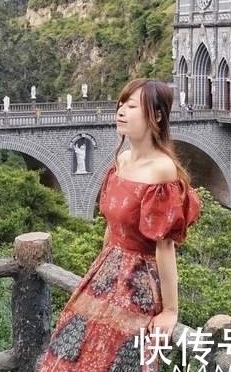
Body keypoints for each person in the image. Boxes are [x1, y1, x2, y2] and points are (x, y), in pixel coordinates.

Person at [38, 78, 201, 372]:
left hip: (138, 283)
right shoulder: (121, 161)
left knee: (117, 360)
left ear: (157, 116)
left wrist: (170, 310)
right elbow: (111, 229)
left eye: (132, 105)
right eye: (121, 104)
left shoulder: (162, 169)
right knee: (72, 352)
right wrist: (98, 270)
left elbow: (165, 247)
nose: (121, 111)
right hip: (106, 272)